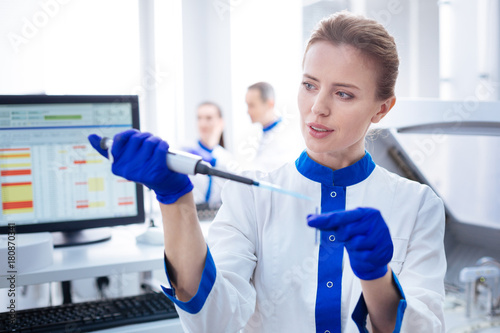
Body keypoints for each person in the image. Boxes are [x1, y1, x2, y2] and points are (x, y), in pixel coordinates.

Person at [88, 10, 446, 332]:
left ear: (382, 108)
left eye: (344, 94)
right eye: (309, 85)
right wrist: (174, 199)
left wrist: (377, 278)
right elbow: (213, 322)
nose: (316, 108)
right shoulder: (252, 195)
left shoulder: (417, 205)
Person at [244, 81, 304, 172]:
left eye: (252, 105)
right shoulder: (264, 132)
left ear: (269, 104)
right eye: (247, 105)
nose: (247, 111)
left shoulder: (284, 138)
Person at [182, 101, 233, 209]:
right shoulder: (186, 152)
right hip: (191, 213)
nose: (203, 123)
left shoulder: (226, 158)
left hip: (215, 216)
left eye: (209, 118)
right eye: (199, 118)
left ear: (221, 122)